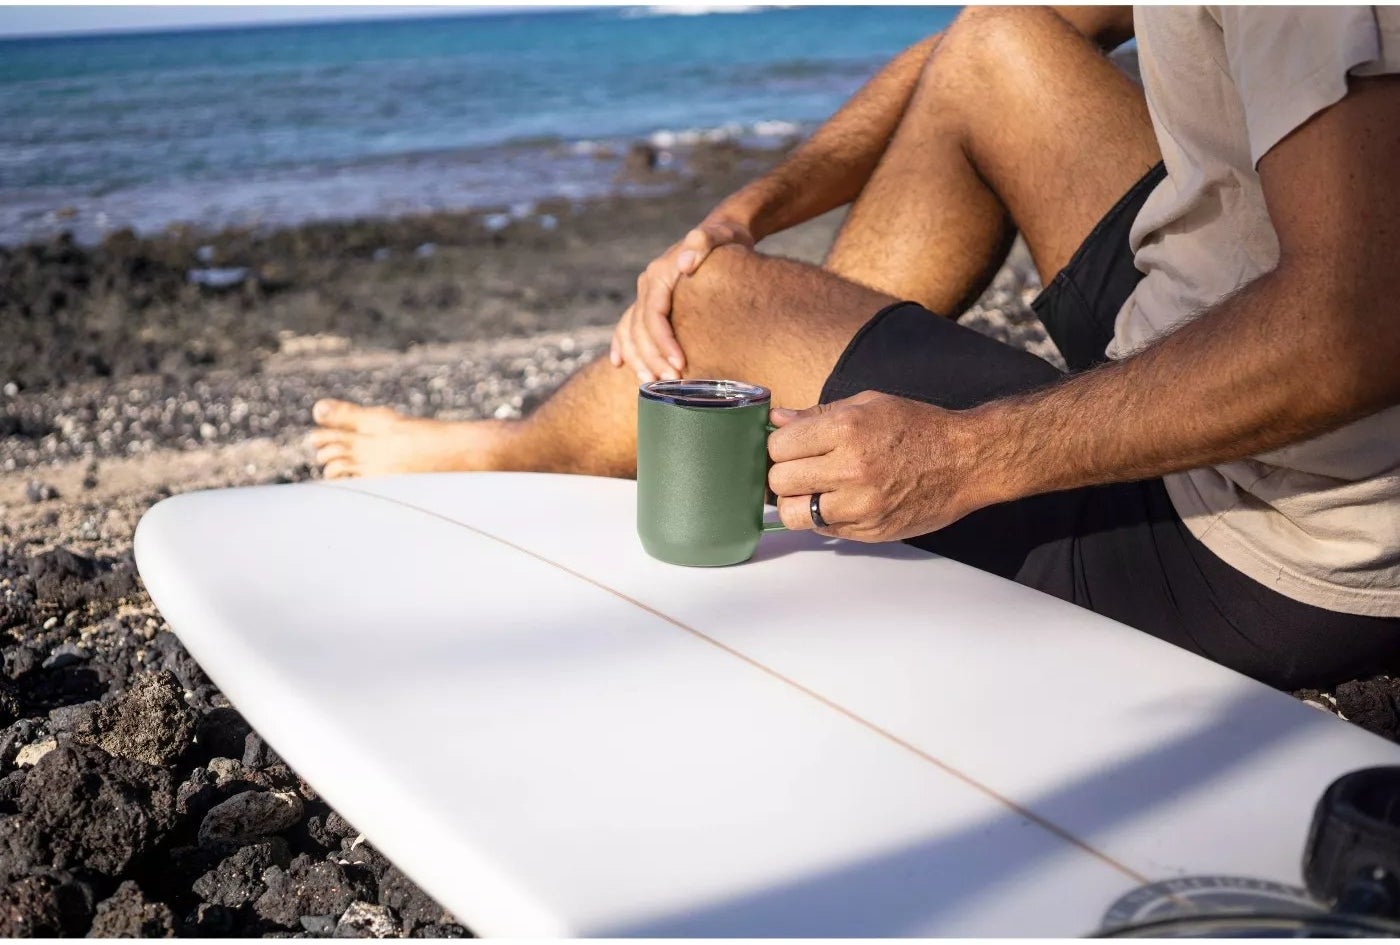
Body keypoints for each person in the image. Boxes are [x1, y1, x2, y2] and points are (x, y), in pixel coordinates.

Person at [310, 7, 1400, 691]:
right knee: (994, 48)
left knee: (710, 309)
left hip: (1267, 542)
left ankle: (510, 452)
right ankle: (805, 384)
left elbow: (1360, 322)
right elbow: (999, 31)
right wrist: (749, 208)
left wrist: (964, 457)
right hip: (1229, 316)